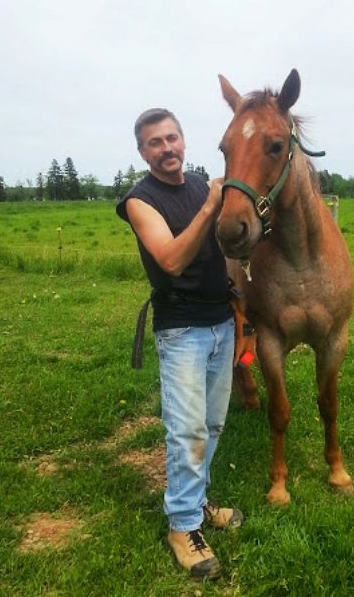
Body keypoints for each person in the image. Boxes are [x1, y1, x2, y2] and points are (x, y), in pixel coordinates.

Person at [116, 108, 243, 581]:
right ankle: (182, 527)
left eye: (172, 138)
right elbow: (170, 259)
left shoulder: (199, 185)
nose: (167, 148)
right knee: (186, 432)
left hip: (220, 322)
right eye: (155, 142)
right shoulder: (139, 200)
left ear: (184, 140)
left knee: (211, 425)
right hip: (182, 330)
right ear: (142, 151)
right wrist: (211, 206)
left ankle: (199, 500)